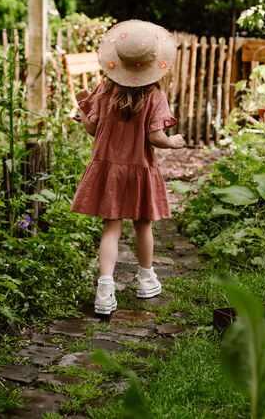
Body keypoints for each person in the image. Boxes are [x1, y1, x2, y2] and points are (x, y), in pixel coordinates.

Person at [71, 19, 184, 316]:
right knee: (143, 223)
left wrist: (83, 109)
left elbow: (93, 131)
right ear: (151, 65)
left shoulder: (104, 92)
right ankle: (146, 279)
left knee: (112, 227)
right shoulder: (154, 96)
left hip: (109, 170)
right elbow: (154, 136)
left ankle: (105, 289)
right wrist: (174, 143)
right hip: (139, 169)